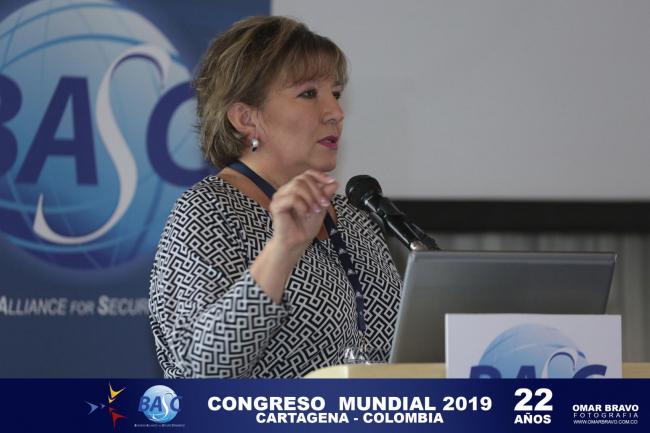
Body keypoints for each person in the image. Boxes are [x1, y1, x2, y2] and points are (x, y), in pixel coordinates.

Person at [148, 16, 402, 378]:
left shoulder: (354, 220)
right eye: (309, 93)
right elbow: (202, 372)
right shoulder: (209, 212)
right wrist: (282, 251)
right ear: (245, 118)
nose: (336, 113)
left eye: (335, 94)